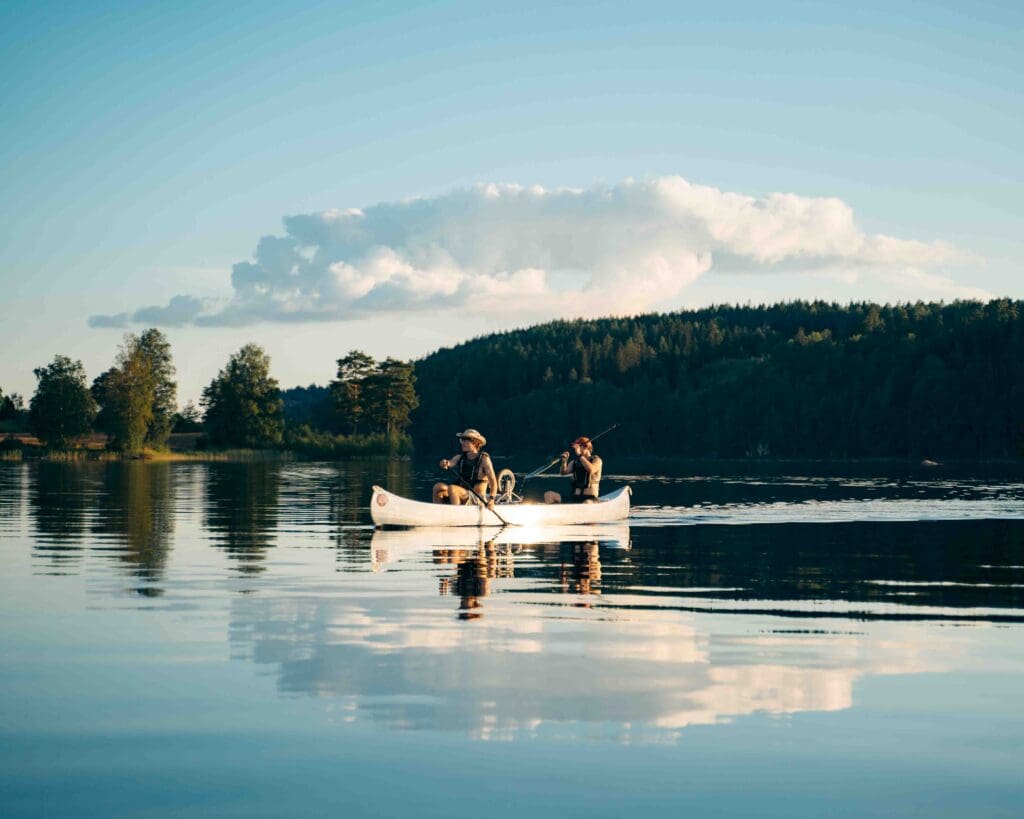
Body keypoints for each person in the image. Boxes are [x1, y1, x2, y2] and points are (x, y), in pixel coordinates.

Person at [432, 429, 497, 508]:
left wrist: (492, 499)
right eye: (462, 440)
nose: (462, 443)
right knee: (438, 487)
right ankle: (438, 512)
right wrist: (444, 463)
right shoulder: (460, 457)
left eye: (465, 440)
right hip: (462, 493)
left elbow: (493, 482)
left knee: (452, 488)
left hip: (477, 498)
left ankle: (457, 516)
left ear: (475, 442)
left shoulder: (484, 459)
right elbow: (450, 462)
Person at [548, 436, 602, 503]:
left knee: (586, 503)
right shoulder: (575, 462)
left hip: (590, 498)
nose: (576, 449)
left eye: (578, 447)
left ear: (586, 447)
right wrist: (564, 462)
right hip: (575, 497)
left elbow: (591, 469)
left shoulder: (597, 460)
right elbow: (563, 472)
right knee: (549, 495)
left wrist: (579, 455)